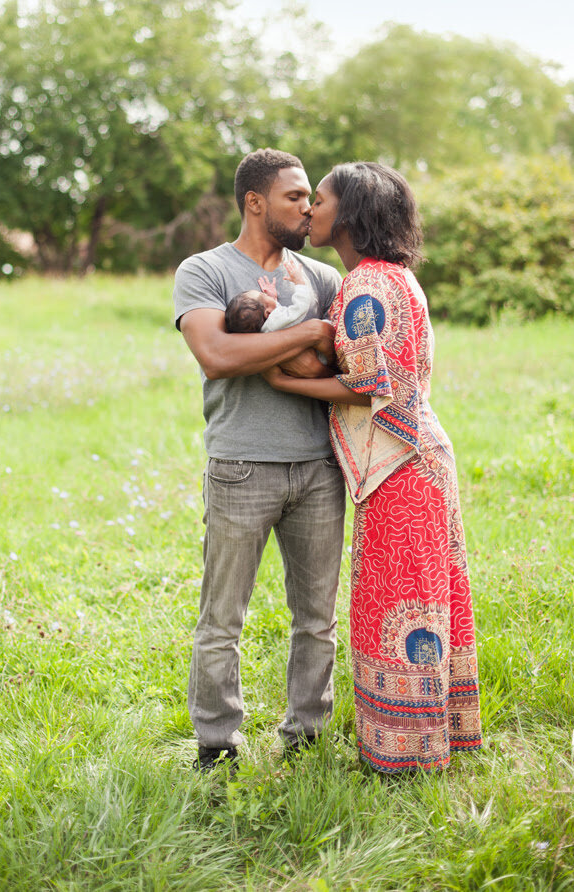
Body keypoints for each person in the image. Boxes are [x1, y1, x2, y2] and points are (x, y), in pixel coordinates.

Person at [263, 162, 482, 773]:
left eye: (321, 200)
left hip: (399, 468)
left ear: (351, 213)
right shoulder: (397, 278)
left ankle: (403, 757)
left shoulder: (366, 286)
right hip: (419, 461)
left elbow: (368, 386)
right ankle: (431, 741)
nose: (309, 210)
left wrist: (282, 378)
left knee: (394, 608)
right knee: (422, 607)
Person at [173, 148, 346, 772]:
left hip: (320, 468)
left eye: (309, 197)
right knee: (222, 618)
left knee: (317, 620)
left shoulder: (322, 279)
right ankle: (217, 746)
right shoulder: (204, 271)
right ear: (255, 202)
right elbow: (216, 355)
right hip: (241, 466)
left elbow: (344, 369)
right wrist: (304, 335)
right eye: (295, 197)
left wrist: (270, 346)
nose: (308, 207)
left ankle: (307, 735)